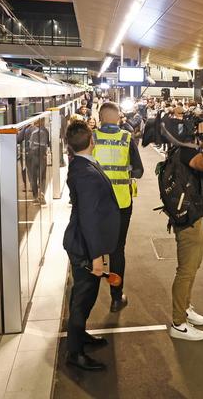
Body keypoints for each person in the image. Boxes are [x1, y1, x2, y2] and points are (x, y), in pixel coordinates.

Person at [63, 120, 120, 371]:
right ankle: (75, 353)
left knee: (85, 295)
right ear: (91, 141)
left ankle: (80, 335)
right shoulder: (85, 172)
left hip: (87, 242)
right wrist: (97, 255)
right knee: (83, 298)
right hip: (85, 246)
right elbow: (88, 217)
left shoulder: (80, 165)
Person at [93, 102, 144, 312]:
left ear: (100, 117)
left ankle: (89, 298)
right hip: (121, 203)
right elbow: (138, 171)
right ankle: (116, 297)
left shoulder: (92, 138)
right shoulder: (126, 138)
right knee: (117, 251)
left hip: (96, 203)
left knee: (93, 248)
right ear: (117, 118)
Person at [168, 122, 203, 341]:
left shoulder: (182, 148)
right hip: (190, 219)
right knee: (186, 270)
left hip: (193, 216)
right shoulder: (187, 150)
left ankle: (185, 308)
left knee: (192, 266)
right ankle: (178, 323)